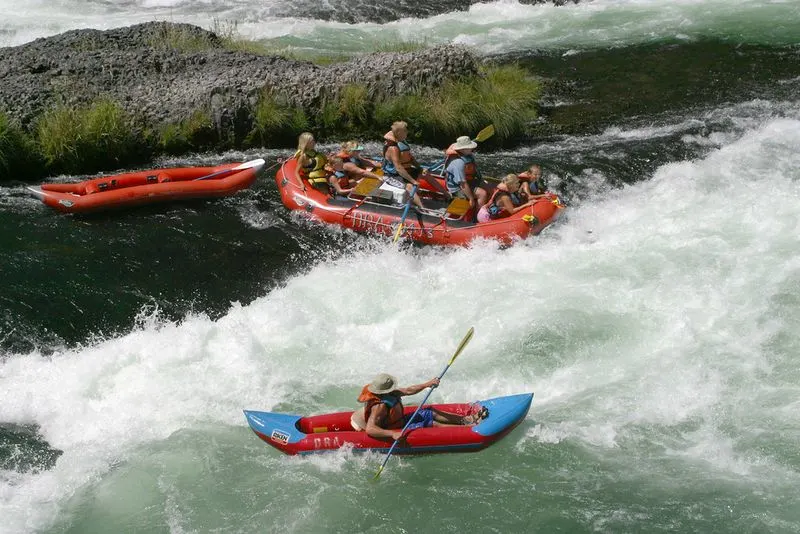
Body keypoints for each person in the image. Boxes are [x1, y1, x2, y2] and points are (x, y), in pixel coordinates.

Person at [351, 373, 488, 440]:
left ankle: (468, 419)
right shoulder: (379, 406)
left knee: (430, 412)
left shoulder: (391, 393)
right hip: (396, 428)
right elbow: (370, 429)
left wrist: (427, 384)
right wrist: (392, 434)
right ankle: (469, 428)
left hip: (401, 420)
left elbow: (409, 390)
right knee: (432, 423)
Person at [381, 121, 424, 209]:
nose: (407, 133)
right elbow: (399, 168)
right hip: (391, 176)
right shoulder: (393, 148)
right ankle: (423, 208)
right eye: (405, 131)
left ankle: (447, 196)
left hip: (397, 174)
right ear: (399, 133)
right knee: (409, 186)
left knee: (422, 174)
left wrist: (419, 168)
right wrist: (413, 181)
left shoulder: (391, 143)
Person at [444, 135, 489, 211]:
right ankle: (478, 216)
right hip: (457, 187)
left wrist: (481, 180)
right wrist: (471, 198)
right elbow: (463, 184)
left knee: (490, 187)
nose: (472, 148)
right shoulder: (458, 162)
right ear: (462, 149)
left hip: (469, 181)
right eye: (470, 147)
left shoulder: (467, 155)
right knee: (482, 194)